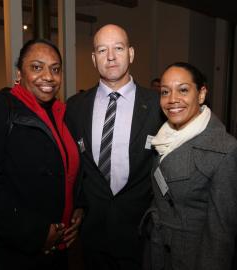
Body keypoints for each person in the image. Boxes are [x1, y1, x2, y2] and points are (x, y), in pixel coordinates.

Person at [0, 39, 82, 270]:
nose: (48, 76)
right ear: (19, 73)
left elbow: (70, 171)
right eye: (36, 67)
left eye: (55, 69)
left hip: (56, 252)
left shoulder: (62, 115)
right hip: (10, 253)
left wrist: (78, 209)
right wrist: (37, 233)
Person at [65, 24, 163, 270]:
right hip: (92, 234)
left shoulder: (158, 106)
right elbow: (71, 163)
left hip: (141, 233)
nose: (110, 57)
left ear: (131, 54)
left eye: (118, 48)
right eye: (102, 50)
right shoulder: (75, 107)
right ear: (93, 58)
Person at [142, 62, 237, 270]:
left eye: (183, 90)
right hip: (158, 250)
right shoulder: (164, 137)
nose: (172, 100)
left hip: (190, 258)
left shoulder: (226, 151)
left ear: (202, 94)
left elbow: (220, 237)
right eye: (165, 92)